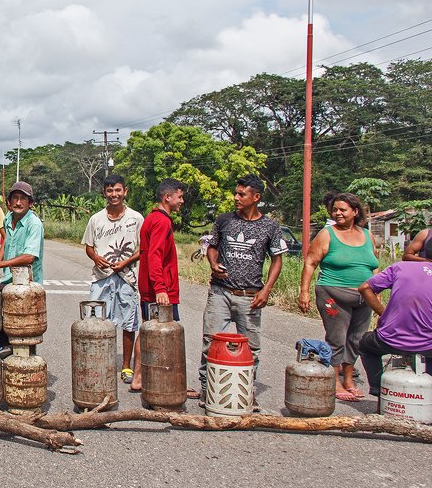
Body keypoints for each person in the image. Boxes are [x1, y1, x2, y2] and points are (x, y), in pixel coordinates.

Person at [197, 175, 286, 405]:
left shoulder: (270, 227)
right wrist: (213, 263)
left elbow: (277, 260)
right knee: (211, 342)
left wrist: (266, 290)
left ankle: (246, 391)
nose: (236, 198)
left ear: (256, 197)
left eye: (241, 194)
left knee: (250, 348)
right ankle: (208, 390)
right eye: (235, 193)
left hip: (250, 296)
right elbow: (212, 247)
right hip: (220, 292)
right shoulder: (224, 220)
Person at [299, 192, 379, 402]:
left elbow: (375, 266)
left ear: (355, 211)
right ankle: (334, 380)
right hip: (333, 294)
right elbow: (310, 262)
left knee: (357, 339)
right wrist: (304, 292)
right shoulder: (327, 234)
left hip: (364, 296)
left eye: (343, 209)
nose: (338, 213)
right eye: (335, 209)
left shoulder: (367, 235)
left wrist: (377, 291)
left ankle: (349, 378)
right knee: (337, 338)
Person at [81, 174, 144, 385]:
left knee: (128, 323)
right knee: (96, 322)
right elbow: (89, 246)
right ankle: (100, 363)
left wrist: (125, 262)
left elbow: (143, 248)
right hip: (101, 278)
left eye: (118, 190)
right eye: (109, 191)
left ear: (125, 191)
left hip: (127, 278)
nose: (114, 194)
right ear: (104, 193)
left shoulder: (136, 218)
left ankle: (126, 366)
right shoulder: (96, 219)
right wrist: (96, 257)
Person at [135, 178, 190, 395]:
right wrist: (161, 288)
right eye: (179, 196)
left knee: (148, 328)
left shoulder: (153, 218)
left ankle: (141, 377)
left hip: (153, 286)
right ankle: (159, 380)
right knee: (163, 333)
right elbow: (155, 256)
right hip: (158, 288)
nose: (182, 201)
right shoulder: (161, 221)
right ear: (167, 197)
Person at [357, 261, 432, 396]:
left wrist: (383, 314)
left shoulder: (401, 267)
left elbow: (364, 288)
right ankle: (429, 392)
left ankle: (378, 388)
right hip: (428, 346)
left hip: (390, 340)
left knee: (366, 346)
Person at [0, 181, 45, 285]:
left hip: (29, 284)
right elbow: (6, 243)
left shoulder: (34, 223)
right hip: (9, 281)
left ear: (30, 203)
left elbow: (29, 257)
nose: (18, 203)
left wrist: (0, 265)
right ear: (9, 201)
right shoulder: (8, 218)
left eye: (23, 198)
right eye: (15, 198)